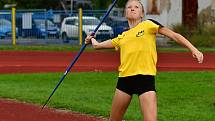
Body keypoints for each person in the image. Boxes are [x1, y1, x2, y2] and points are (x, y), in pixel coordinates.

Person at [85, 0, 204, 121]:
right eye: (129, 7)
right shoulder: (122, 37)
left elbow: (174, 36)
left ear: (142, 13)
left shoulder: (148, 24)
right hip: (124, 80)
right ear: (125, 13)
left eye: (136, 7)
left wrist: (193, 49)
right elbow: (97, 46)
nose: (132, 8)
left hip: (145, 79)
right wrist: (91, 39)